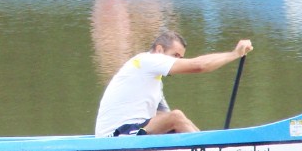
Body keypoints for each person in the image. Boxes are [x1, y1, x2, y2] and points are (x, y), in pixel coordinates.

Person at [95, 31, 253, 137]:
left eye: (181, 58)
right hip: (113, 137)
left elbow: (168, 121)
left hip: (129, 133)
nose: (178, 62)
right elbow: (199, 66)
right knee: (176, 117)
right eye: (175, 56)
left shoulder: (153, 82)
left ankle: (210, 147)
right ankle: (210, 150)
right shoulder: (146, 60)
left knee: (177, 120)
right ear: (159, 50)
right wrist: (234, 54)